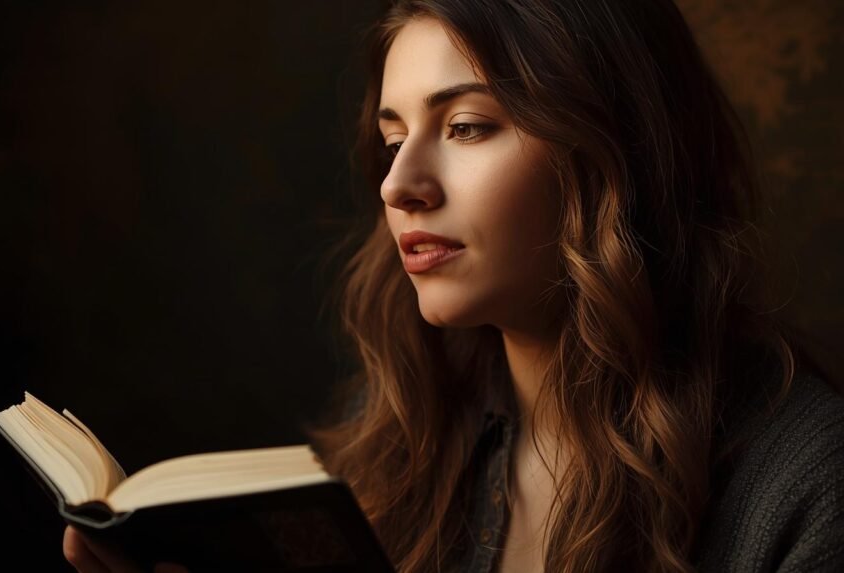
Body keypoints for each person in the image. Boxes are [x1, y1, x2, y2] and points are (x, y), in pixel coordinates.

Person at [65, 0, 844, 571]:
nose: (399, 186)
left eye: (466, 126)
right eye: (393, 138)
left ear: (618, 149)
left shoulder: (808, 483)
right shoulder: (406, 431)